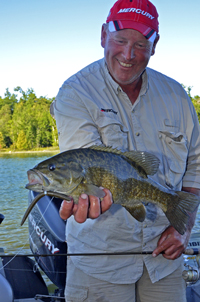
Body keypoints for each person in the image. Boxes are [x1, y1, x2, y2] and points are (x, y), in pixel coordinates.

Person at [50, 0, 200, 301]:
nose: (128, 55)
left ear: (155, 46)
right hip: (100, 261)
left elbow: (195, 163)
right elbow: (84, 162)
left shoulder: (176, 96)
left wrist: (183, 229)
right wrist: (84, 197)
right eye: (120, 41)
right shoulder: (76, 92)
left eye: (141, 44)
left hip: (163, 260)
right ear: (103, 36)